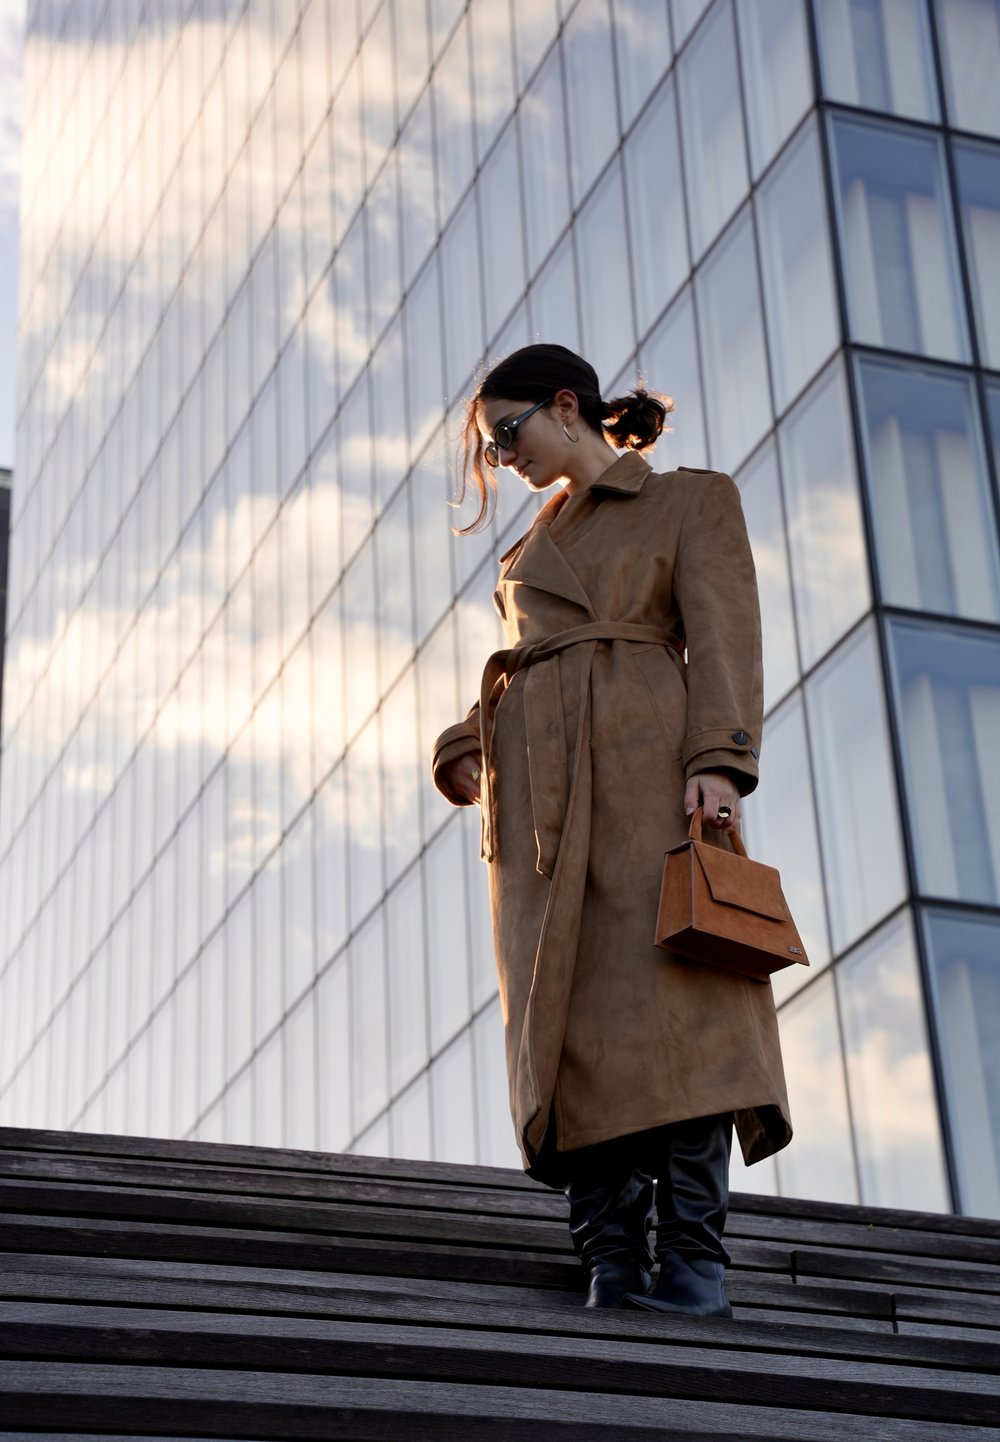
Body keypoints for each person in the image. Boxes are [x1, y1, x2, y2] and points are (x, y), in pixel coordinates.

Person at [431, 344, 792, 1318]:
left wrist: (716, 757)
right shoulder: (523, 555)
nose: (504, 457)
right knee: (571, 1018)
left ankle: (691, 1258)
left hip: (642, 775)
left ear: (566, 405)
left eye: (511, 432)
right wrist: (467, 740)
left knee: (683, 1004)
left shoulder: (687, 500)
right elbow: (518, 661)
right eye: (492, 444)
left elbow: (724, 631)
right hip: (537, 811)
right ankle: (609, 1259)